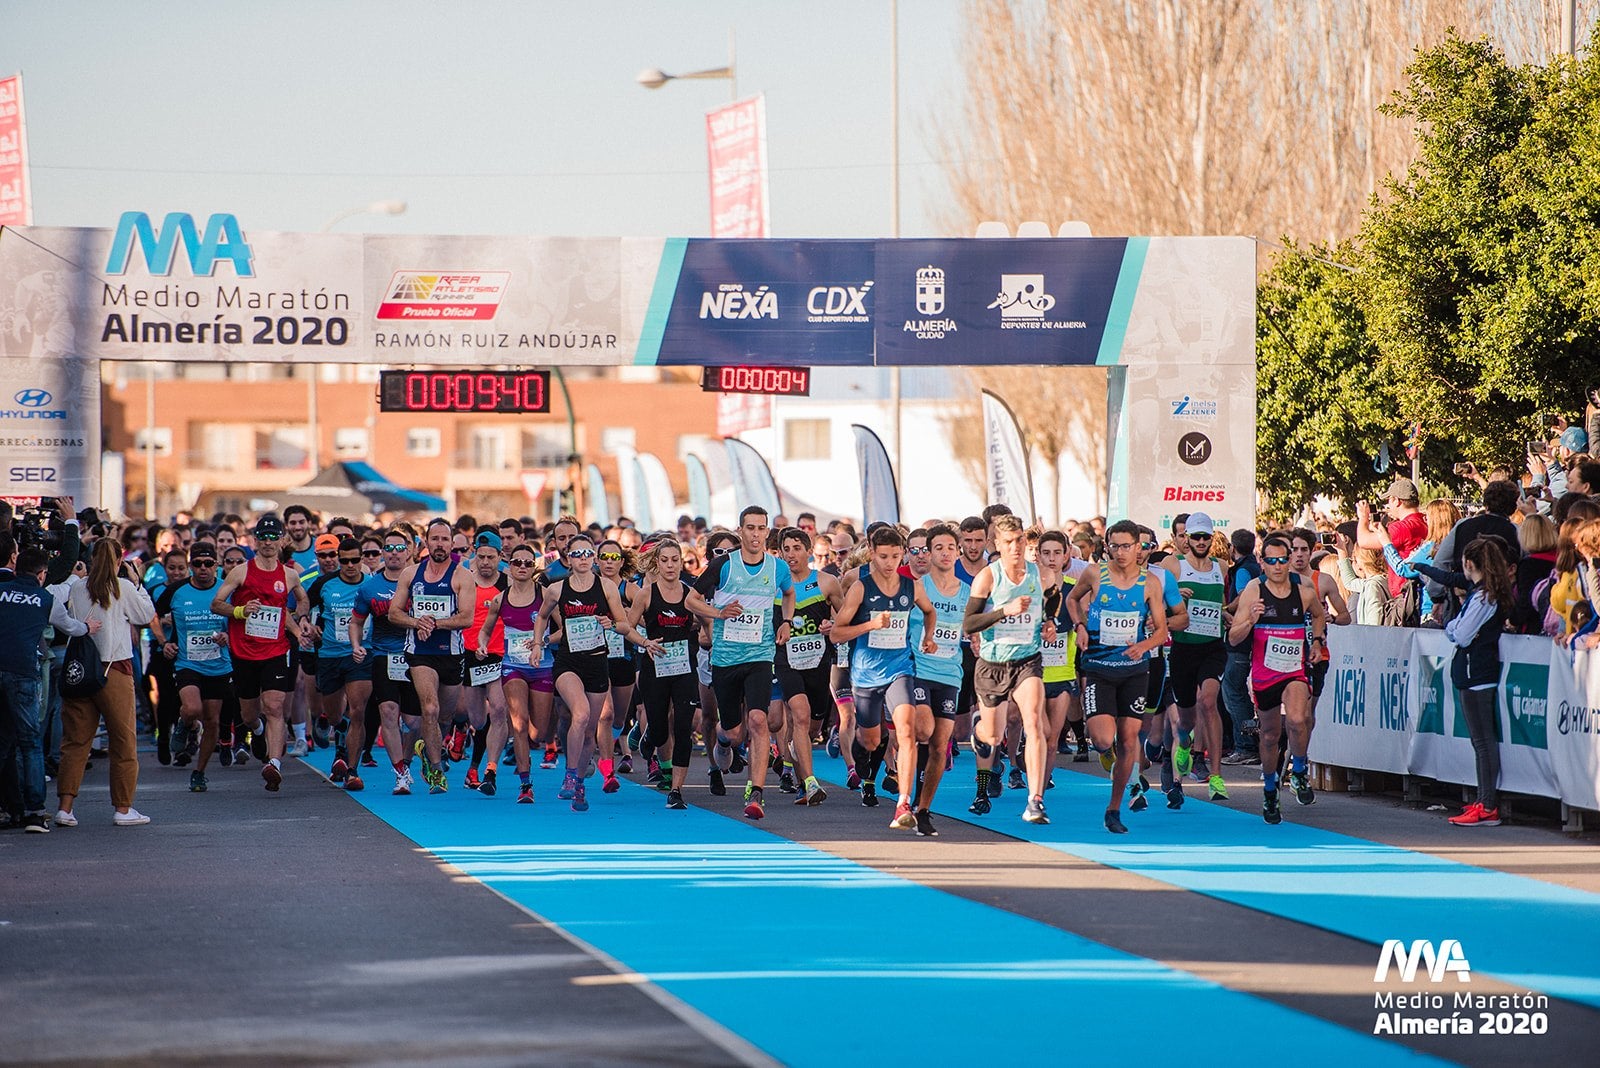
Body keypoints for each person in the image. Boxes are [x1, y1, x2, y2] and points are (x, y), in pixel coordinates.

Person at [532, 533, 659, 811]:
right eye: (576, 554)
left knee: (589, 731)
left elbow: (625, 626)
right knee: (581, 714)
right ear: (569, 559)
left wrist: (611, 624)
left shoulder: (607, 588)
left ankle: (579, 783)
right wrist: (538, 645)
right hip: (568, 663)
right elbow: (542, 616)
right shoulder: (557, 589)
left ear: (594, 558)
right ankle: (568, 775)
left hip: (597, 663)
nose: (582, 559)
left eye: (587, 553)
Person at [686, 506, 795, 821]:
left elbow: (789, 594)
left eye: (762, 528)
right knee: (733, 733)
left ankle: (756, 792)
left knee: (759, 721)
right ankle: (722, 741)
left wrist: (786, 620)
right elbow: (690, 600)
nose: (756, 534)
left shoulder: (777, 567)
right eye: (750, 528)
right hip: (725, 659)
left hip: (760, 656)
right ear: (740, 531)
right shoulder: (723, 565)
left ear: (767, 532)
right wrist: (719, 613)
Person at [831, 525, 939, 825]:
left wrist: (928, 637)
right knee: (870, 740)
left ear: (902, 553)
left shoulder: (912, 586)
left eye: (894, 556)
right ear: (871, 553)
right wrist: (870, 625)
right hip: (865, 674)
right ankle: (860, 753)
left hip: (900, 668)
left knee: (906, 731)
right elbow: (837, 634)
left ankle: (903, 804)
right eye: (882, 556)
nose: (889, 563)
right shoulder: (860, 588)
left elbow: (930, 612)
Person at [1067, 520, 1169, 834]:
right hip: (1098, 667)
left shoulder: (1150, 582)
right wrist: (1080, 625)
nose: (1122, 552)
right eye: (1116, 546)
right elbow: (1072, 599)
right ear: (1107, 546)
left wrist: (1144, 645)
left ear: (1139, 547)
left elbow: (1163, 629)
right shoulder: (1095, 574)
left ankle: (1113, 809)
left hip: (1135, 671)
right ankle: (1107, 755)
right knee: (1101, 738)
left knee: (1128, 740)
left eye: (1128, 546)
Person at [963, 514, 1058, 825]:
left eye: (1020, 540)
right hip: (993, 663)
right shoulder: (988, 578)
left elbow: (1051, 602)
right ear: (997, 545)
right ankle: (980, 728)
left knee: (1034, 724)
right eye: (1008, 542)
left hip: (1027, 660)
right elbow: (970, 623)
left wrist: (1048, 623)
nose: (1016, 546)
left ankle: (1035, 799)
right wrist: (1005, 610)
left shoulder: (1041, 574)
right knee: (992, 735)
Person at [1229, 532, 1327, 825]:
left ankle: (1298, 771)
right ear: (1262, 562)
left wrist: (1317, 642)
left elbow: (1319, 615)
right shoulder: (1253, 591)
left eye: (1282, 560)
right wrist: (1250, 620)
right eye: (1271, 561)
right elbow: (1233, 636)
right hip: (1264, 673)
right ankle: (1270, 788)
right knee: (1270, 735)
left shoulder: (1304, 589)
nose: (1278, 566)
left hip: (1294, 670)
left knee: (1298, 719)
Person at [58, 538, 156, 827]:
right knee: (124, 741)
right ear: (119, 561)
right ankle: (123, 809)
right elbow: (145, 615)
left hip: (80, 670)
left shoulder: (78, 586)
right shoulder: (122, 587)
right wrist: (137, 583)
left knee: (75, 741)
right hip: (114, 669)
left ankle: (65, 807)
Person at [210, 513, 309, 793]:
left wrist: (299, 621)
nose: (267, 542)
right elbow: (216, 604)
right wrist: (240, 611)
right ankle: (259, 731)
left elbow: (301, 599)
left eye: (272, 537)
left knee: (275, 707)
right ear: (255, 541)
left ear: (281, 540)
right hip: (244, 653)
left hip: (276, 650)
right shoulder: (241, 571)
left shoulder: (289, 574)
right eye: (262, 537)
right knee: (250, 714)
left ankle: (274, 764)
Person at [1420, 538, 1512, 827]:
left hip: (1477, 673)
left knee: (1483, 742)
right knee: (1480, 742)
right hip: (1473, 672)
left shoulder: (1484, 597)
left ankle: (1487, 804)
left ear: (1469, 564)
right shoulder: (1483, 593)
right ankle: (1484, 799)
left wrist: (1451, 627)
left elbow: (1460, 633)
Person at [0, 548, 92, 832]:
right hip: (24, 673)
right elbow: (71, 627)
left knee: (2, 743)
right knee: (30, 744)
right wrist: (89, 627)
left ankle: (6, 808)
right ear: (41, 575)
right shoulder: (45, 599)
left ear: (16, 570)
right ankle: (35, 812)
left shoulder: (1, 591)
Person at [387, 518, 477, 795]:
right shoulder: (410, 574)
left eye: (445, 539)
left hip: (450, 653)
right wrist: (417, 623)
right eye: (435, 539)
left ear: (452, 544)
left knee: (445, 717)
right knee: (430, 708)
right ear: (426, 542)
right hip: (419, 653)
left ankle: (428, 747)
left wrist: (435, 623)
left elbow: (467, 618)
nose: (440, 544)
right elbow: (394, 613)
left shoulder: (462, 576)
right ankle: (436, 772)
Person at [151, 543, 230, 793]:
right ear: (191, 566)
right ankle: (186, 724)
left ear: (216, 566)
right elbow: (152, 615)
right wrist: (164, 643)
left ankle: (199, 772)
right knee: (193, 709)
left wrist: (228, 636)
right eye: (197, 564)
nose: (203, 569)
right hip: (187, 663)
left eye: (208, 564)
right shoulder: (176, 591)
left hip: (219, 664)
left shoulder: (226, 590)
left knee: (213, 721)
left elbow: (240, 618)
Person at [628, 538, 701, 809]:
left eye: (675, 560)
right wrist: (645, 642)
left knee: (683, 728)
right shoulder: (646, 594)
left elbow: (705, 622)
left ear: (681, 563)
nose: (670, 565)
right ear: (657, 563)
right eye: (665, 560)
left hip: (684, 668)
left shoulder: (690, 594)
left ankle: (676, 790)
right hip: (654, 667)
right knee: (659, 730)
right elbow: (628, 627)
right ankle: (648, 734)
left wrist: (704, 628)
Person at [773, 526, 839, 806]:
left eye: (796, 548)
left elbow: (844, 617)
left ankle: (794, 755)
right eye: (785, 549)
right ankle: (810, 783)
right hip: (786, 661)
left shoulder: (826, 582)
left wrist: (832, 625)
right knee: (798, 716)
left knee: (811, 728)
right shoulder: (773, 586)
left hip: (818, 663)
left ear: (808, 551)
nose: (791, 555)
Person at [1163, 511, 1226, 807]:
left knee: (1209, 701)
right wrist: (1174, 596)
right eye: (1195, 537)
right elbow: (1154, 603)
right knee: (1186, 717)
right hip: (1183, 649)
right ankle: (1185, 746)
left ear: (1212, 539)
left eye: (1205, 537)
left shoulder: (1221, 567)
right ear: (1186, 538)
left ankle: (1215, 775)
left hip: (1213, 647)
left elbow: (1222, 605)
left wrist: (1234, 614)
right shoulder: (1173, 565)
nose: (1201, 542)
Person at [306, 538, 372, 789]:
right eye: (344, 560)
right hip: (330, 655)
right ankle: (340, 732)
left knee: (357, 710)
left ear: (362, 558)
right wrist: (306, 623)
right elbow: (303, 606)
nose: (350, 565)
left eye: (355, 560)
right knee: (335, 715)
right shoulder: (324, 584)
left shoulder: (371, 584)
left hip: (360, 654)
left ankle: (352, 770)